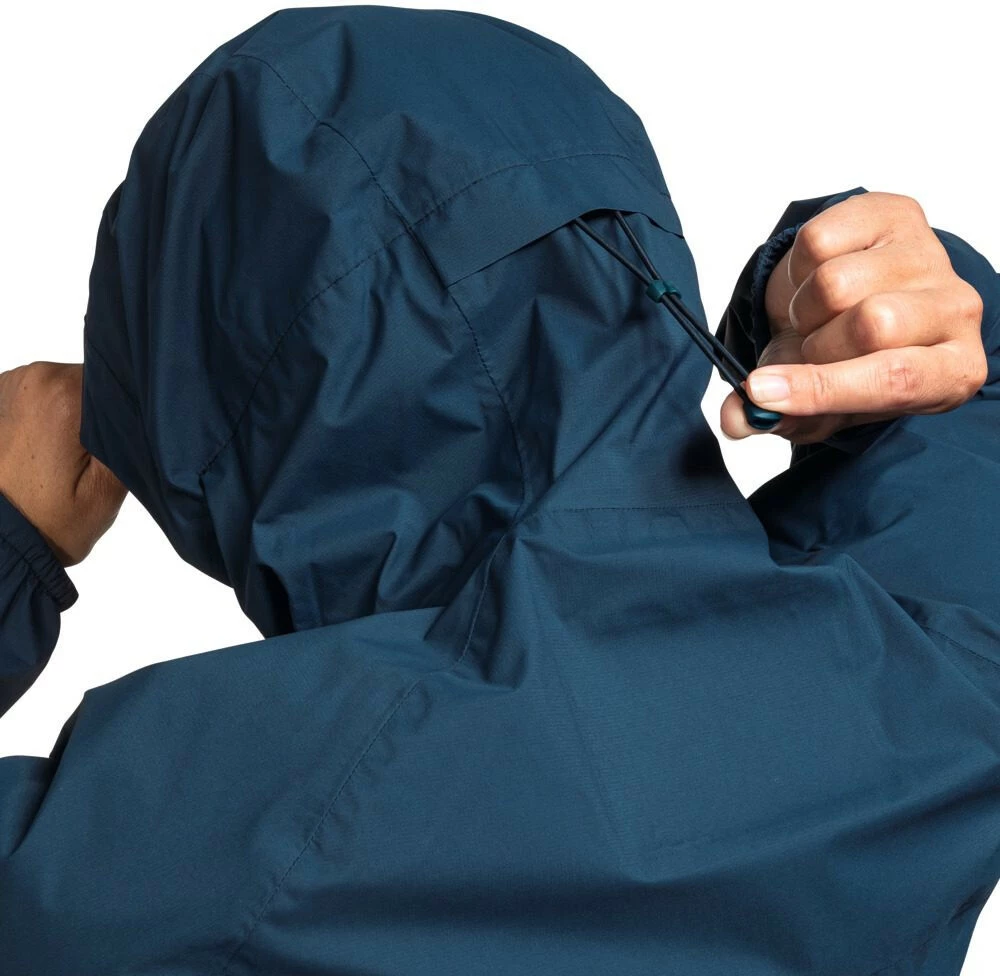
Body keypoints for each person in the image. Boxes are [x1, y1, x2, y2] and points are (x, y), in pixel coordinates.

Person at [1, 7, 997, 974]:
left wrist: (11, 540)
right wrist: (824, 302)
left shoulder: (208, 846)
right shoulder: (930, 681)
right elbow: (975, 401)